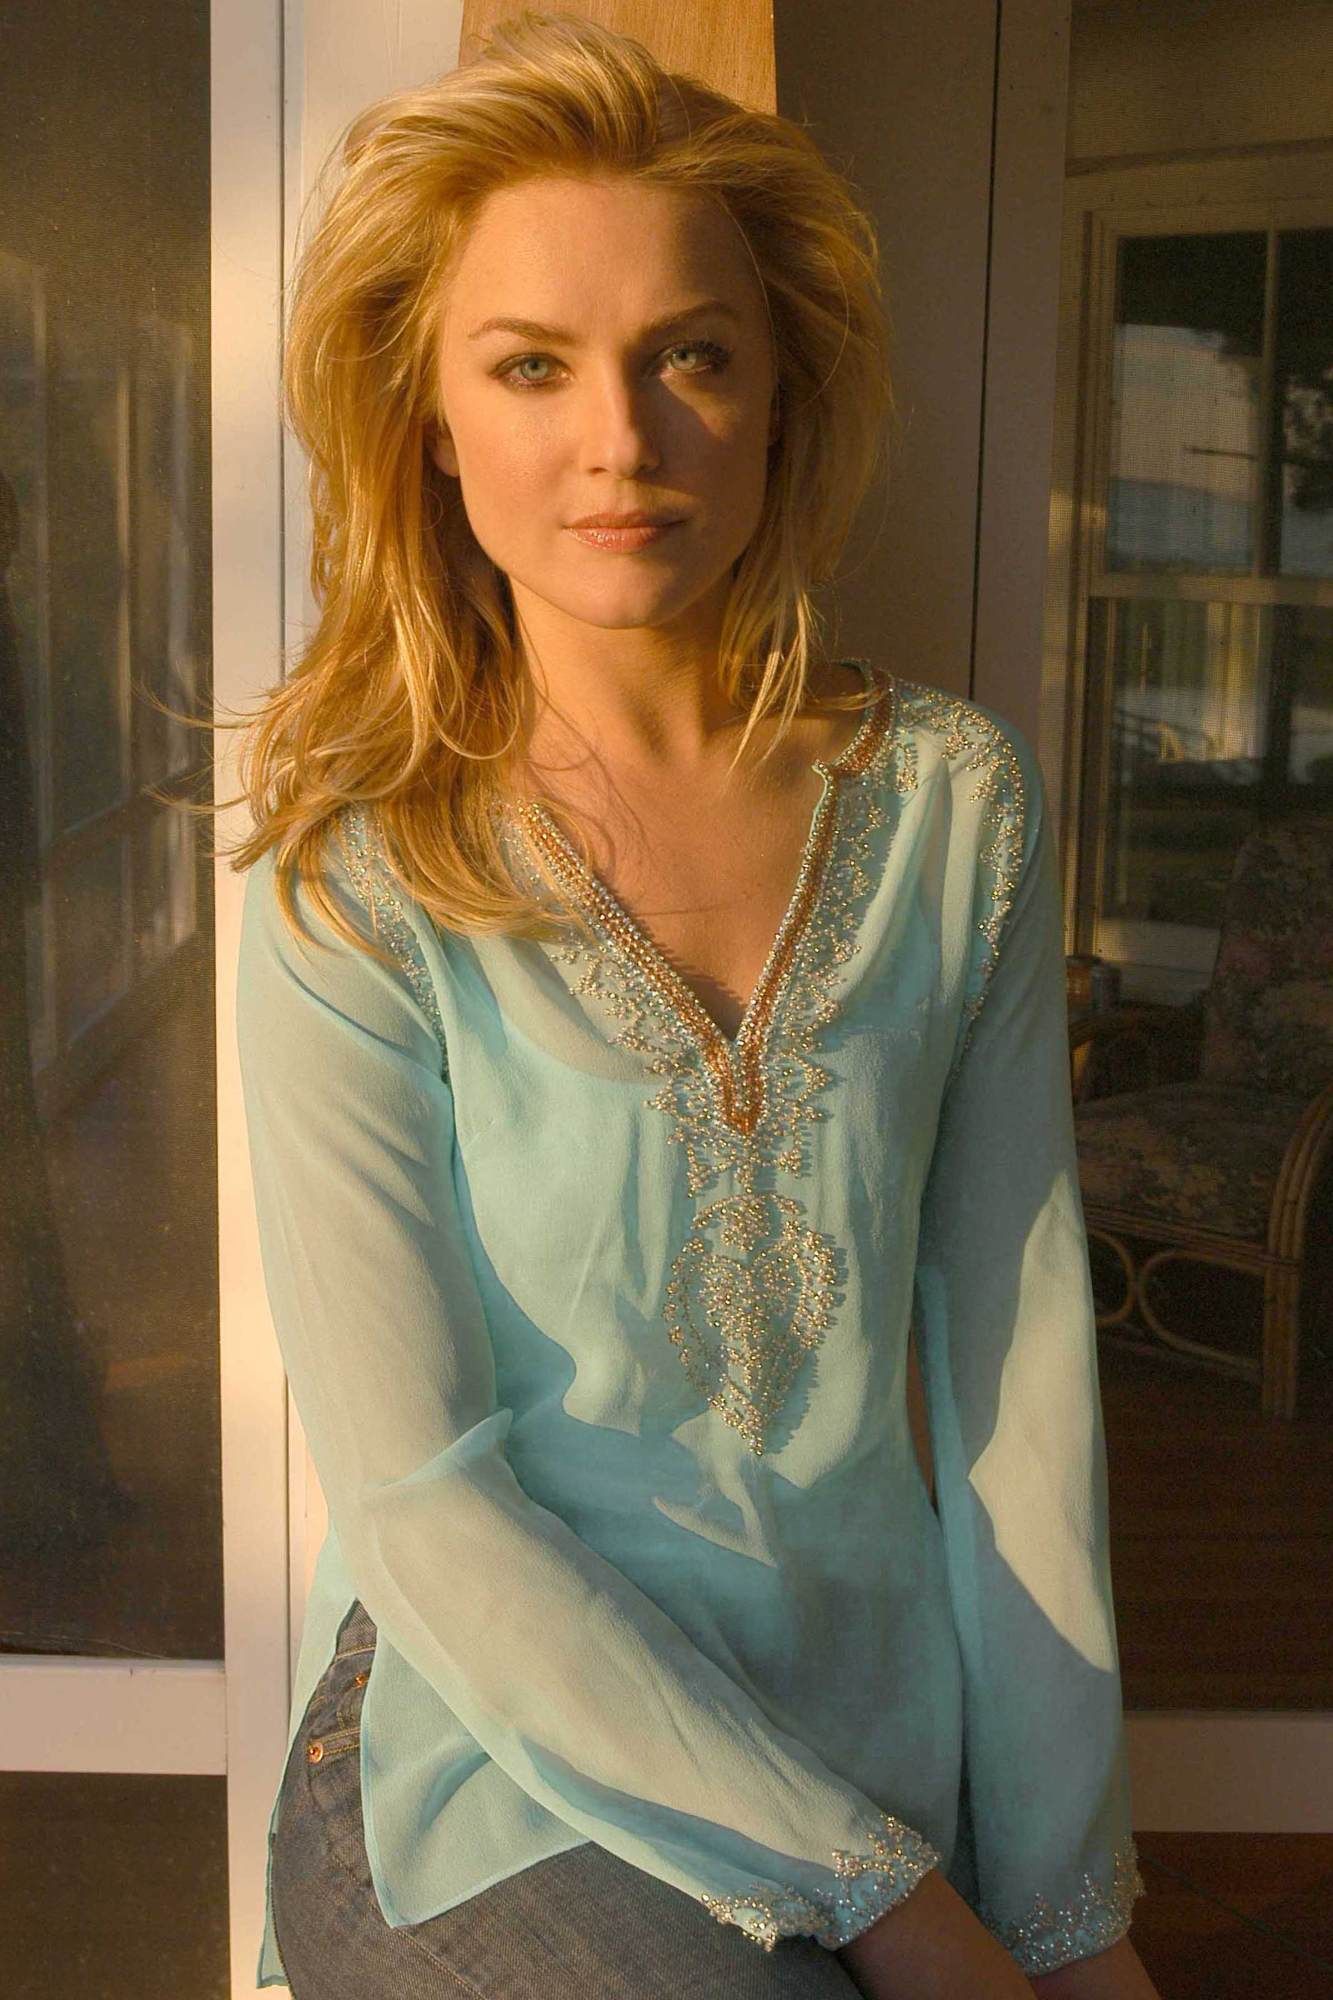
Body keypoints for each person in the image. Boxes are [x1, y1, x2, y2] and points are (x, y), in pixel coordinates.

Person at [228, 13, 1162, 1998]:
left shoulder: (952, 811)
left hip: (865, 1723)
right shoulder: (355, 881)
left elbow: (1018, 1405)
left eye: (690, 356)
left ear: (775, 392)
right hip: (488, 1761)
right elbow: (422, 1505)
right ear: (430, 418)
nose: (621, 440)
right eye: (530, 366)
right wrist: (904, 1913)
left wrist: (1070, 1917)